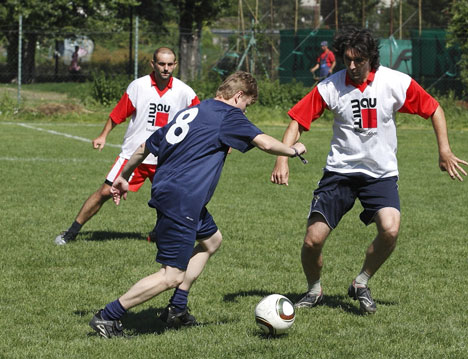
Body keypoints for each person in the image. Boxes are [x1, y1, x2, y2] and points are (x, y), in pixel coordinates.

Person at [89, 71, 306, 338]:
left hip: (176, 194)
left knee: (212, 241)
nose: (245, 112)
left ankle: (176, 309)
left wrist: (124, 175)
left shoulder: (194, 110)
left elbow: (146, 145)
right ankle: (108, 316)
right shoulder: (229, 115)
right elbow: (264, 143)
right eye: (247, 105)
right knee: (171, 276)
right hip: (182, 199)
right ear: (238, 96)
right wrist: (293, 150)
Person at [271, 27, 468, 314]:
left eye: (358, 60)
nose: (351, 66)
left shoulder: (393, 82)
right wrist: (282, 158)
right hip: (339, 173)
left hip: (380, 174)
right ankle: (314, 291)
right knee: (312, 240)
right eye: (346, 59)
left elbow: (434, 108)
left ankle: (361, 283)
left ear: (370, 58)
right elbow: (297, 122)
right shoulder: (331, 86)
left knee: (390, 229)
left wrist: (445, 150)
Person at [55, 47, 200, 245]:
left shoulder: (185, 93)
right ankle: (71, 232)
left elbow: (200, 119)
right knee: (105, 192)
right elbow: (118, 113)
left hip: (165, 157)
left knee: (171, 199)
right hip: (134, 154)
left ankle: (159, 232)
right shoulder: (138, 86)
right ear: (153, 64)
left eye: (169, 64)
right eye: (161, 64)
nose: (166, 69)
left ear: (175, 65)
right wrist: (103, 135)